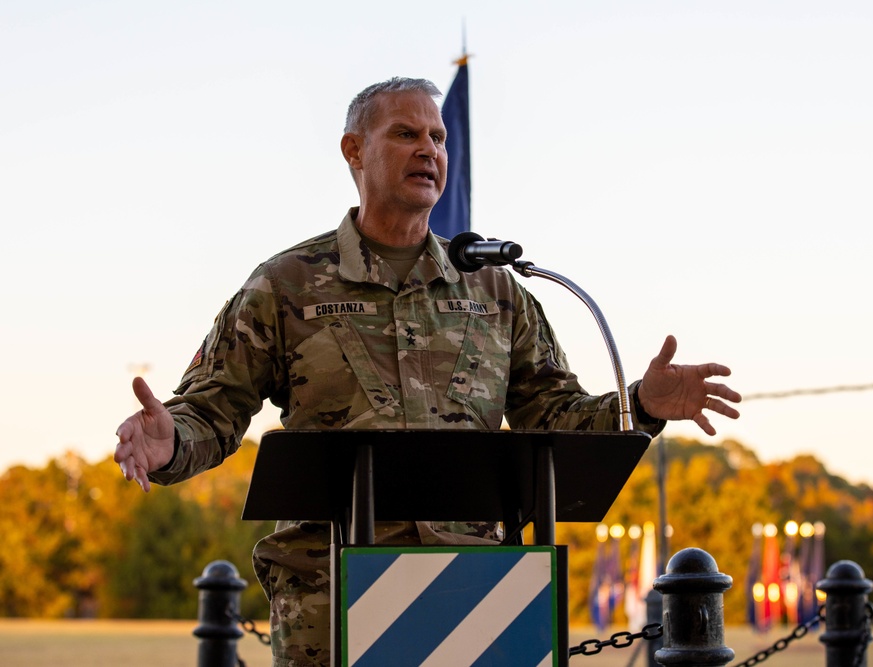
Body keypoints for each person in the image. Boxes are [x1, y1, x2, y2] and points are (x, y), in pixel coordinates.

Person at [114, 77, 741, 667]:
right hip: (331, 594)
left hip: (479, 591)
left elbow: (556, 418)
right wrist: (172, 442)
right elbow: (213, 408)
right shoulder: (286, 285)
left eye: (438, 137)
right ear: (354, 150)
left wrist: (643, 403)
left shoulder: (496, 288)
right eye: (406, 134)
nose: (429, 150)